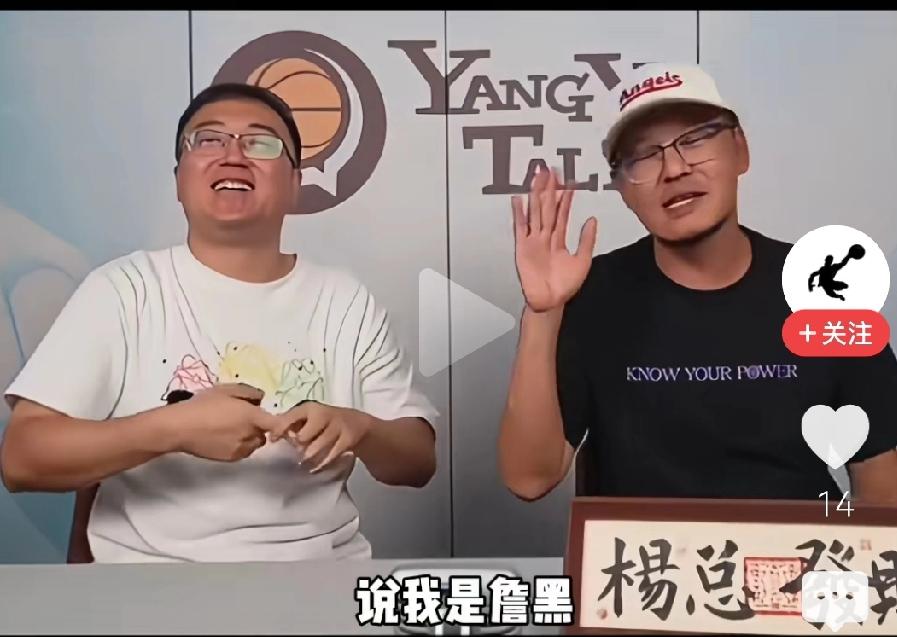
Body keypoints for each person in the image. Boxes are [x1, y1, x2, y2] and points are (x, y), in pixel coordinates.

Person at [0, 83, 438, 563]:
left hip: (318, 578)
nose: (233, 155)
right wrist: (173, 428)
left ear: (295, 182)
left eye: (261, 143)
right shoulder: (124, 290)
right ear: (179, 181)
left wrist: (361, 428)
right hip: (151, 585)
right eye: (208, 140)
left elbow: (417, 462)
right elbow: (22, 459)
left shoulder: (345, 300)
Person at [498, 63, 897, 503]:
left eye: (694, 140)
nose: (673, 169)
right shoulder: (592, 295)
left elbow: (882, 480)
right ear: (622, 189)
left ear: (740, 150)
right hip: (640, 549)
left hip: (802, 545)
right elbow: (529, 478)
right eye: (643, 157)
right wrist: (543, 313)